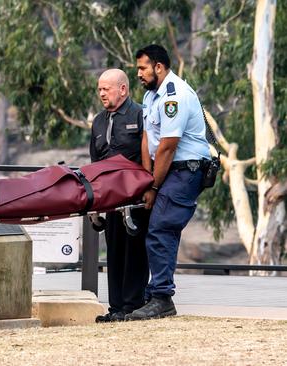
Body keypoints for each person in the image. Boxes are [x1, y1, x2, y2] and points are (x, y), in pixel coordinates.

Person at [126, 45, 211, 320]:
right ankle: (155, 294)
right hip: (166, 170)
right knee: (160, 226)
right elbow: (147, 140)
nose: (138, 73)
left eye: (143, 68)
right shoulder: (151, 95)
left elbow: (168, 146)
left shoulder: (174, 96)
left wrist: (152, 187)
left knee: (162, 226)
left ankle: (162, 297)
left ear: (159, 67)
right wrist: (146, 178)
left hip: (186, 169)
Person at [89, 69, 150, 322]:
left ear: (123, 89)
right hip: (110, 200)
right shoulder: (99, 121)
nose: (102, 93)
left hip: (136, 199)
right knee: (113, 251)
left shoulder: (141, 114)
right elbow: (95, 164)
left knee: (134, 251)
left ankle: (133, 306)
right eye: (100, 89)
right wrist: (93, 206)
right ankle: (116, 308)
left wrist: (150, 188)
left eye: (107, 88)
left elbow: (151, 155)